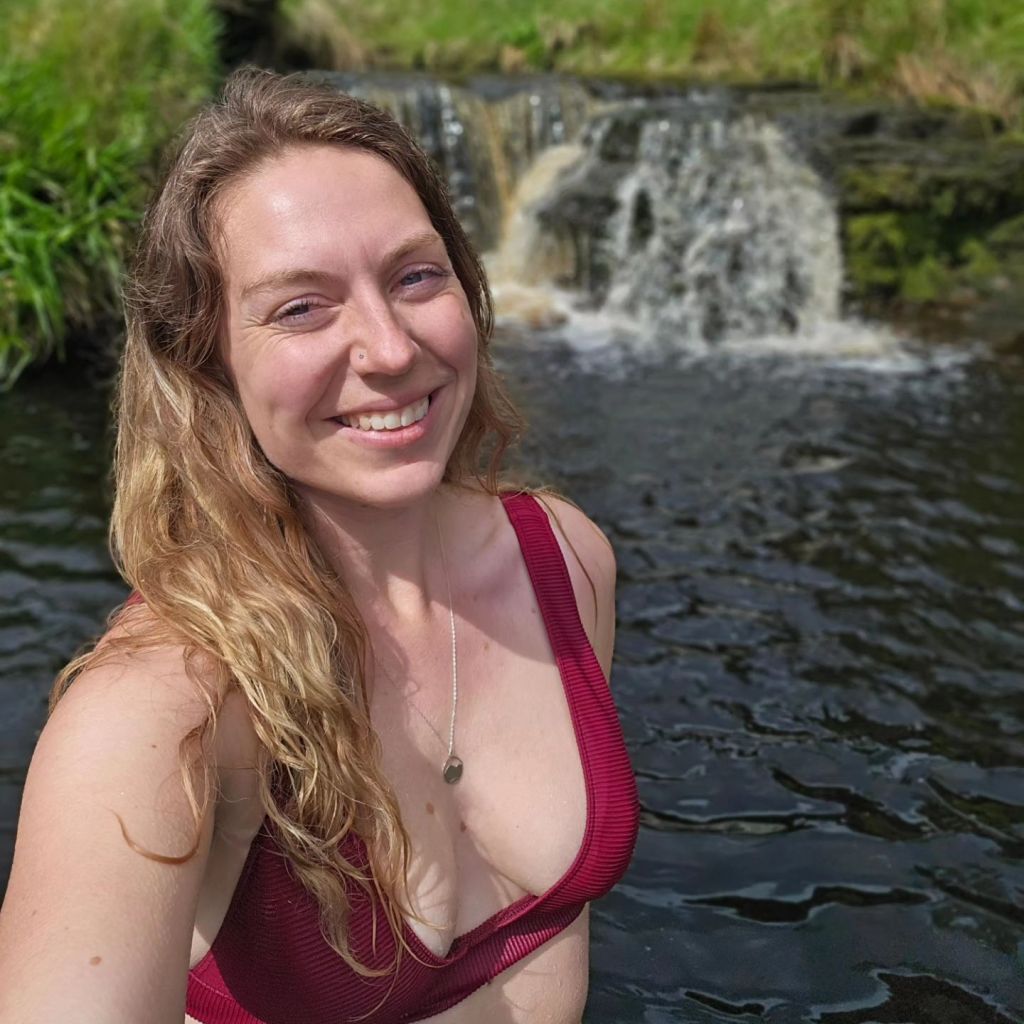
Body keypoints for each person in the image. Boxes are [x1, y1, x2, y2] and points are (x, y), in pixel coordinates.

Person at [0, 68, 638, 1024]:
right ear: (205, 360)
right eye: (301, 307)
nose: (387, 348)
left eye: (415, 276)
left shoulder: (569, 562)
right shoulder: (159, 714)